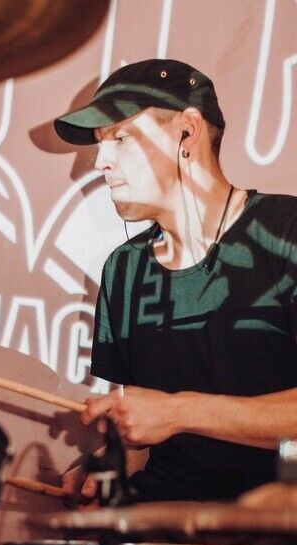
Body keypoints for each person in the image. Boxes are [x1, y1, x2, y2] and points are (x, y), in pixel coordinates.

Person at [54, 59, 297, 504]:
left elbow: (171, 415)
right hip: (163, 531)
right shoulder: (124, 269)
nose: (100, 162)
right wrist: (107, 468)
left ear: (187, 131)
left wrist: (179, 411)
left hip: (275, 531)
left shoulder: (287, 234)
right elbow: (146, 438)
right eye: (100, 144)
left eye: (119, 138)